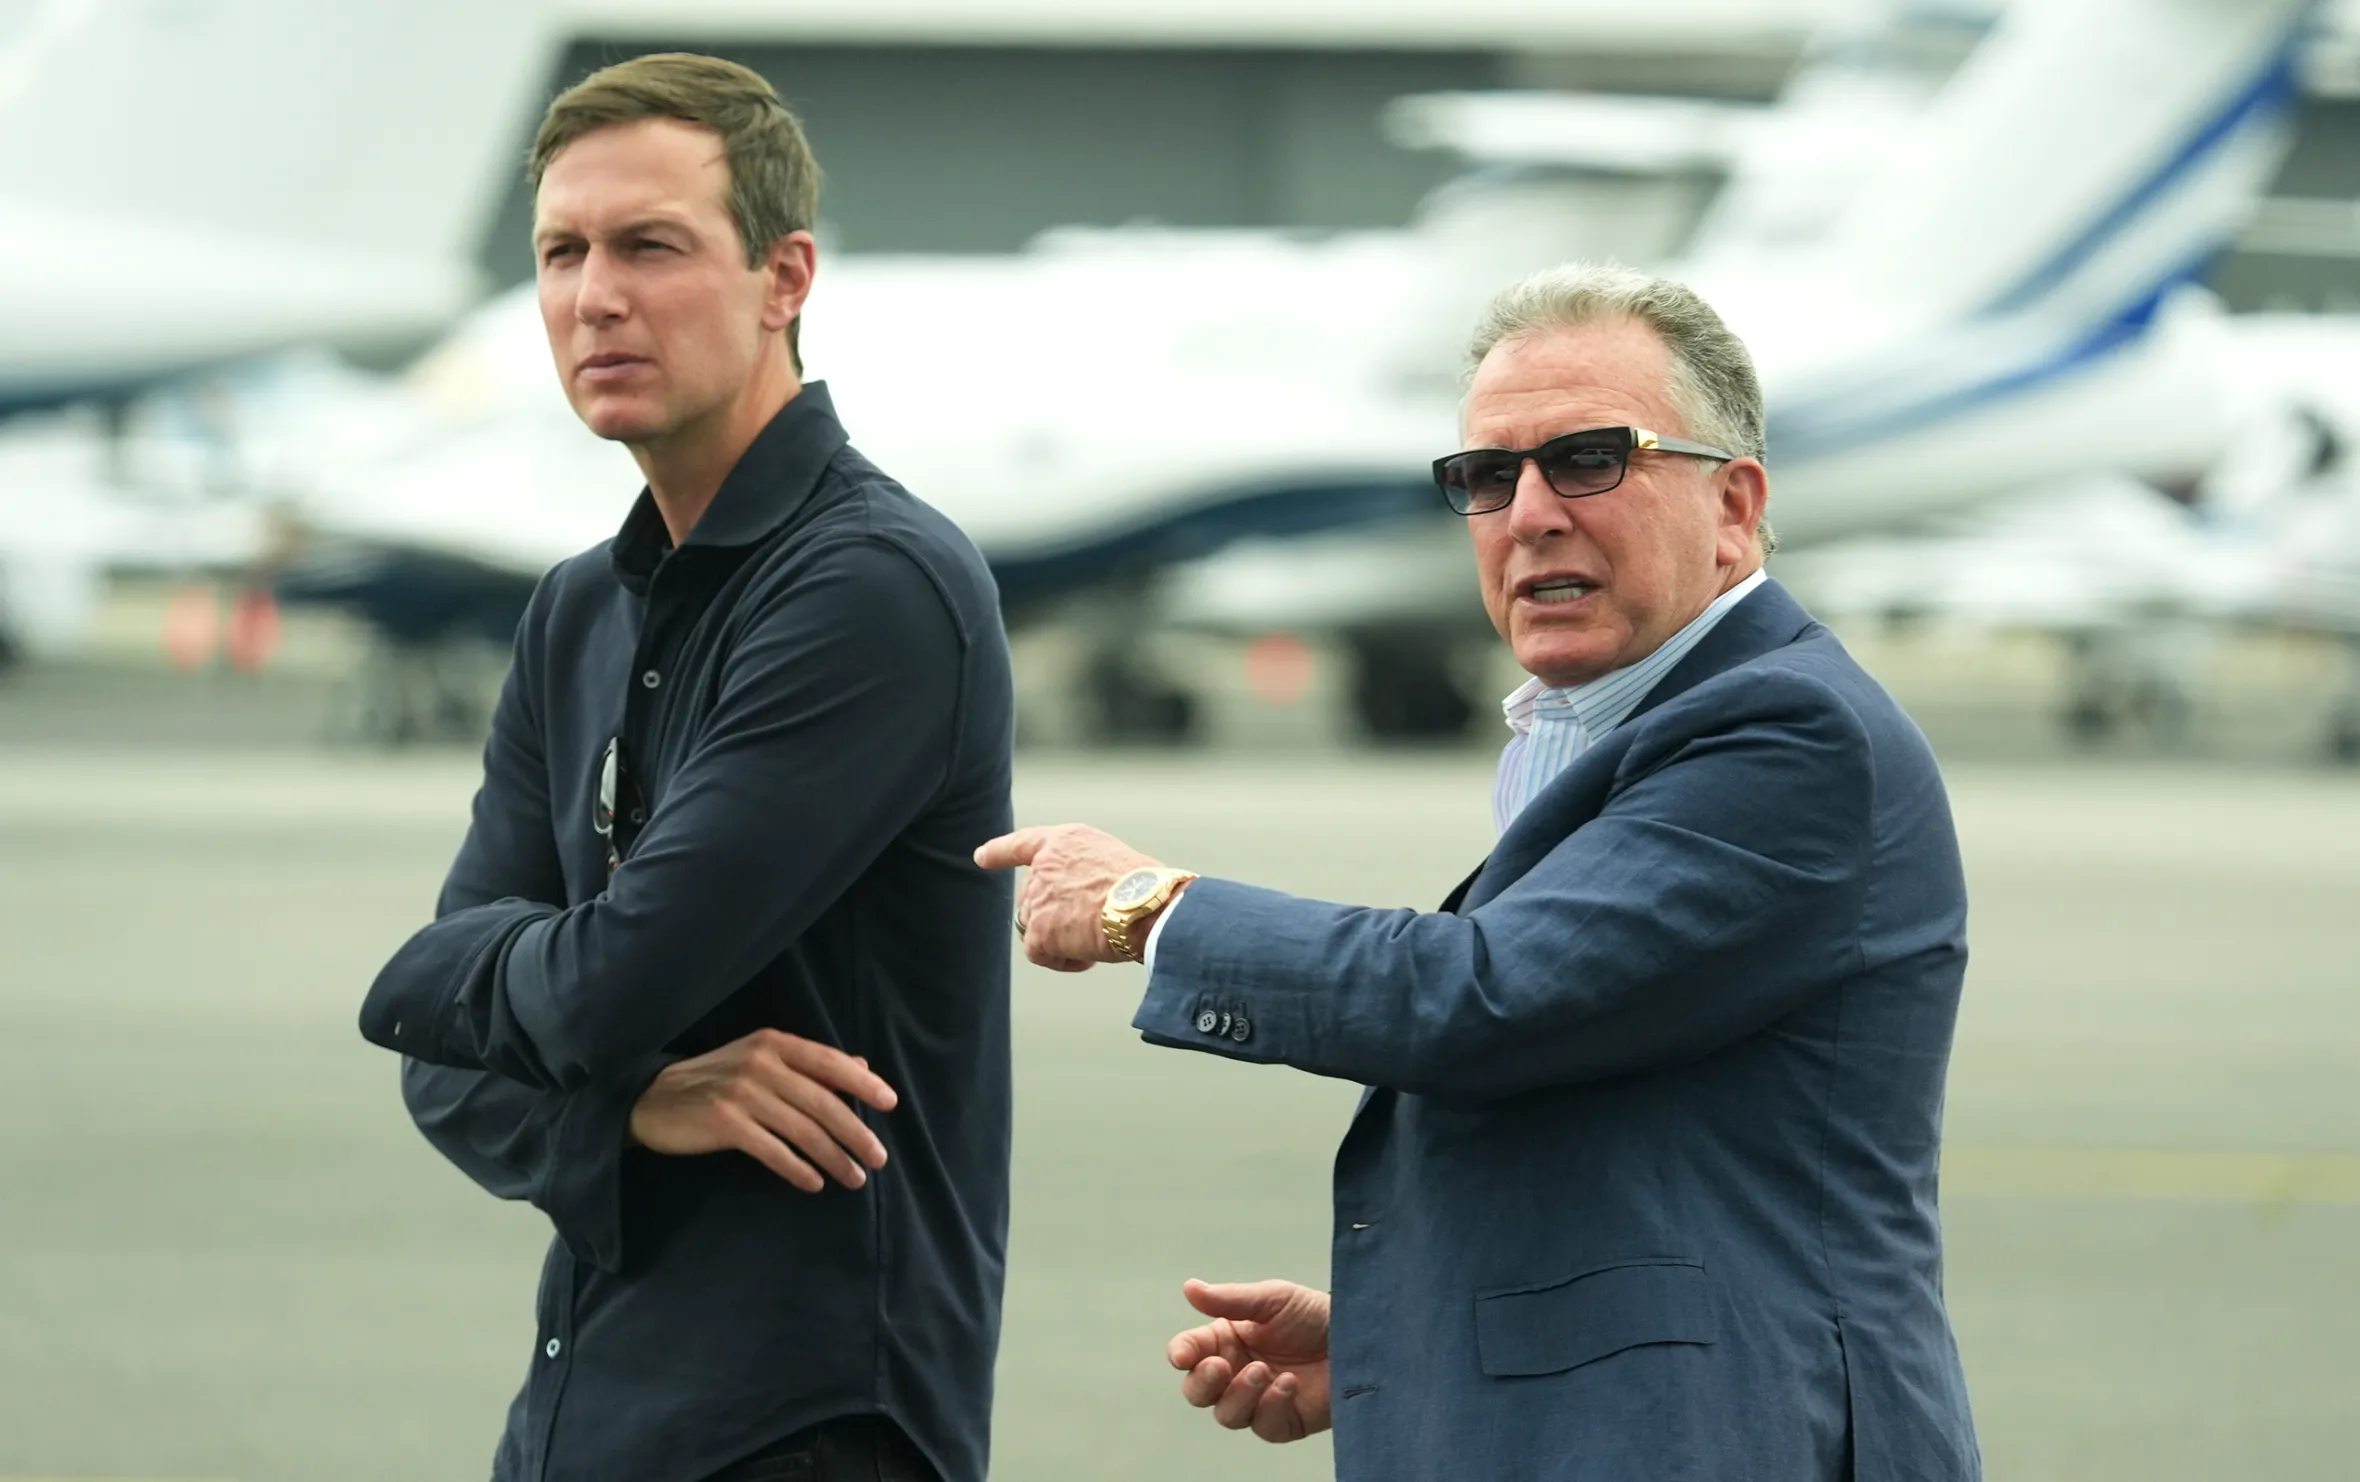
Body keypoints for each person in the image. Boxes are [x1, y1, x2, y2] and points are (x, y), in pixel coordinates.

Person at [980, 263, 1981, 1481]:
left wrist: (1153, 908)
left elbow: (1478, 999)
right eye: (1487, 476)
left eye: (1588, 460)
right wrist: (1402, 1337)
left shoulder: (1783, 732)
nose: (1529, 512)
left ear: (1733, 507)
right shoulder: (1623, 724)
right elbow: (1635, 1141)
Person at [356, 54, 1014, 1482]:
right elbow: (444, 1063)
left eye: (651, 245)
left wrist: (451, 984)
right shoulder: (578, 609)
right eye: (561, 252)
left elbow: (588, 985)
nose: (597, 294)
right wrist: (629, 1102)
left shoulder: (874, 588)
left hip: (813, 1418)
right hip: (589, 1408)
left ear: (785, 277)